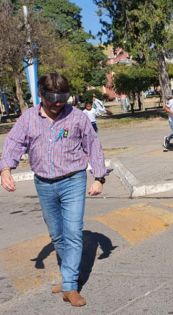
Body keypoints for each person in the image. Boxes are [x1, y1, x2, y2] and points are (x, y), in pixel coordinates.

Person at [0, 73, 108, 307]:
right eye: (52, 99)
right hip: (44, 184)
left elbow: (93, 146)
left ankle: (70, 285)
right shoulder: (28, 118)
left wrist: (99, 177)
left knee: (73, 232)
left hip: (73, 180)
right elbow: (14, 143)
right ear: (41, 94)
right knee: (57, 234)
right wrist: (6, 169)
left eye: (63, 98)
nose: (58, 104)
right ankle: (68, 274)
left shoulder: (77, 117)